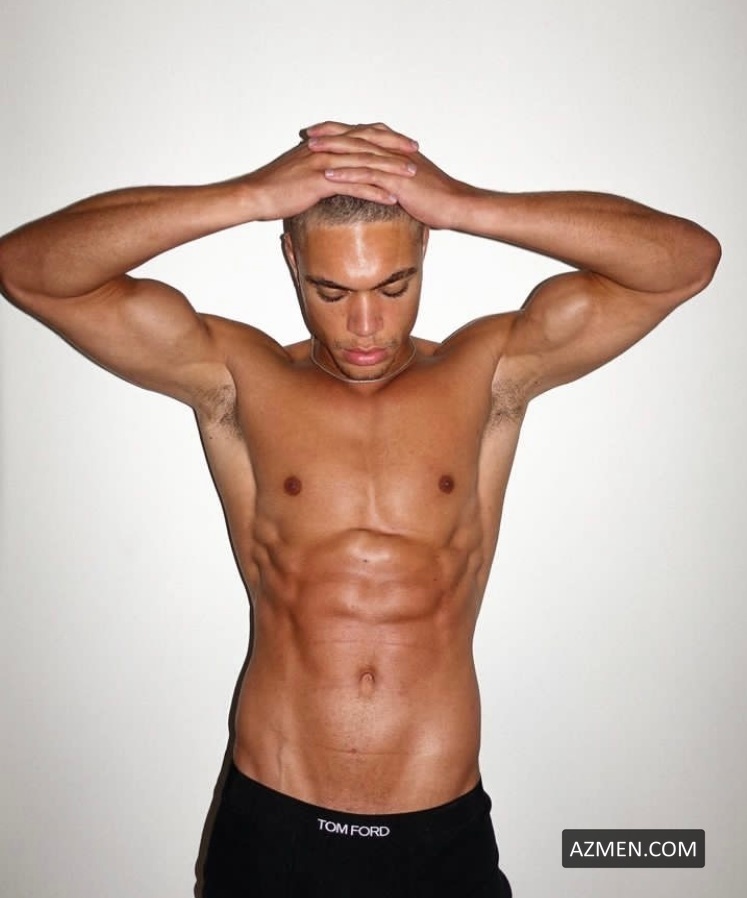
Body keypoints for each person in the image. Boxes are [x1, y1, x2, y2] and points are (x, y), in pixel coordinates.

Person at [0, 121, 720, 897]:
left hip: (439, 828)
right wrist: (248, 196)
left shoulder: (487, 372)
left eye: (393, 286)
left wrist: (465, 205)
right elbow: (32, 271)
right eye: (332, 291)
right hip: (274, 819)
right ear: (291, 261)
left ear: (425, 254)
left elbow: (682, 263)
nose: (365, 326)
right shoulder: (238, 376)